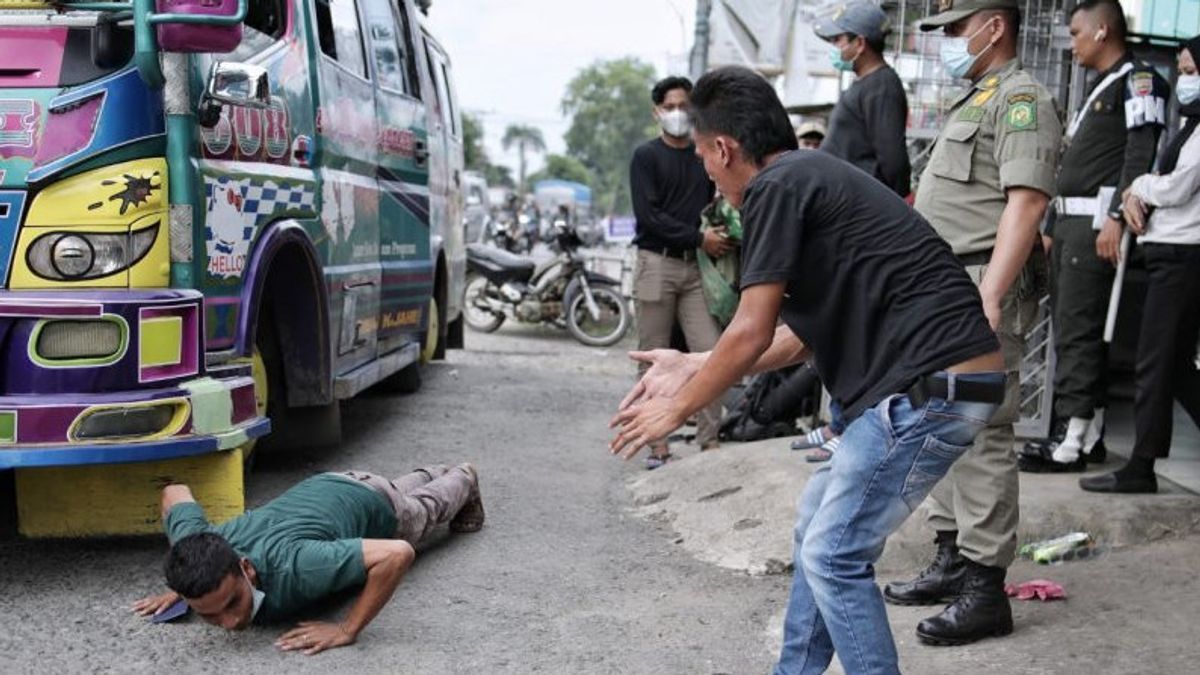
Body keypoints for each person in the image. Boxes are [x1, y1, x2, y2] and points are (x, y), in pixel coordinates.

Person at [610, 65, 1006, 675]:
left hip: (931, 387)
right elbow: (792, 338)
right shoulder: (804, 181)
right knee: (815, 529)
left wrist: (677, 409)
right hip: (929, 385)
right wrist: (692, 364)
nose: (706, 175)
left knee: (833, 555)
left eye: (703, 159)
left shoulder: (779, 187)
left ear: (723, 147)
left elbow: (749, 332)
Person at [883, 0, 1063, 648]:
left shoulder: (1022, 99)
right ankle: (952, 555)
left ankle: (986, 588)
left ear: (994, 26)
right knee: (942, 425)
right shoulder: (979, 96)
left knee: (981, 430)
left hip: (979, 283)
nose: (948, 43)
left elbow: (1027, 201)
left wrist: (988, 294)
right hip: (945, 285)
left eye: (956, 29)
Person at [1019, 0, 1169, 472]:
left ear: (1103, 31)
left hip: (1095, 226)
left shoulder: (1137, 81)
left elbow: (1139, 153)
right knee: (1070, 327)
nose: (1073, 44)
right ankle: (1091, 433)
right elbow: (1072, 169)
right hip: (1069, 224)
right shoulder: (1097, 86)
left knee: (1081, 330)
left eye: (1078, 33)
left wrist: (1118, 217)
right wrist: (1048, 227)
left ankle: (1071, 437)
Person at [132, 465, 484, 655]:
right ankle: (431, 470)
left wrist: (347, 629)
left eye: (231, 602)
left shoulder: (297, 566)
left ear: (247, 568)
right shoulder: (197, 544)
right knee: (391, 485)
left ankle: (464, 477)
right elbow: (173, 492)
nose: (228, 621)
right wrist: (185, 587)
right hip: (335, 484)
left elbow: (397, 555)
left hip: (378, 507)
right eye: (208, 614)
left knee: (424, 511)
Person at [1081, 36, 1200, 494]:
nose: (1185, 82)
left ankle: (1141, 467)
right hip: (1172, 253)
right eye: (1183, 72)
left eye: (1192, 72)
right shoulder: (1189, 125)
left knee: (1155, 363)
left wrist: (1138, 186)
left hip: (1183, 257)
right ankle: (1143, 462)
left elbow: (1178, 187)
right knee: (1175, 367)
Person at [629, 75, 728, 468]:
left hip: (697, 270)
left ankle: (710, 440)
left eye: (684, 105)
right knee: (652, 356)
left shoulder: (701, 155)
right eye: (669, 106)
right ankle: (657, 444)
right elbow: (648, 217)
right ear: (657, 112)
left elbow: (713, 206)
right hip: (656, 263)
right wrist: (700, 237)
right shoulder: (646, 157)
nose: (677, 113)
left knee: (713, 352)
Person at [813, 0, 912, 197]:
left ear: (859, 44)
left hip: (859, 202)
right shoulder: (866, 83)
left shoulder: (882, 86)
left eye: (838, 40)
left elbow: (893, 160)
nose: (834, 47)